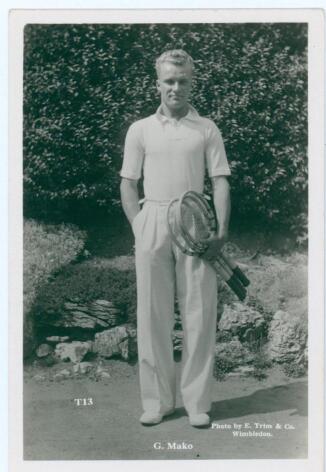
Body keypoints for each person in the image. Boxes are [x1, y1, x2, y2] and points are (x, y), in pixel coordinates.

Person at [120, 49, 231, 427]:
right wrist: (139, 225)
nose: (176, 87)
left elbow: (219, 181)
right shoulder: (140, 129)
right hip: (152, 217)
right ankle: (158, 402)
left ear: (192, 83)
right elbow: (128, 183)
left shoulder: (207, 129)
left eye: (183, 81)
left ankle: (197, 403)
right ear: (158, 84)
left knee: (199, 311)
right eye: (169, 80)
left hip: (195, 219)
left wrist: (221, 230)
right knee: (152, 314)